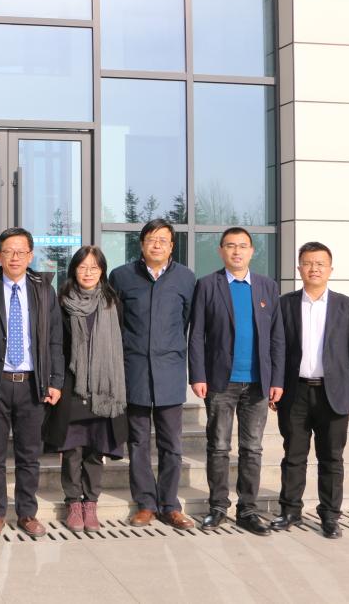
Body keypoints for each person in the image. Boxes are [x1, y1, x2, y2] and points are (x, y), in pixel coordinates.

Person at [0, 227, 63, 538]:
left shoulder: (44, 290)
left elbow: (55, 340)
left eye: (21, 252)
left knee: (29, 455)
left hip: (33, 384)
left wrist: (56, 380)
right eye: (9, 251)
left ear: (30, 256)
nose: (15, 257)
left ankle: (27, 513)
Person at [189, 227, 284, 535]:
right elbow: (196, 334)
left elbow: (277, 337)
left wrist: (277, 379)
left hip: (258, 383)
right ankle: (217, 506)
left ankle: (247, 509)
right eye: (230, 246)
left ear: (252, 251)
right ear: (221, 251)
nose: (237, 251)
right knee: (218, 446)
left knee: (252, 448)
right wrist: (198, 374)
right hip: (220, 381)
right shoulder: (208, 285)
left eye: (243, 246)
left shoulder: (267, 287)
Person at [271, 242, 349, 539]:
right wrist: (276, 384)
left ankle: (330, 516)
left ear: (330, 269)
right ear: (299, 267)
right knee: (293, 455)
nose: (313, 268)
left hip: (334, 393)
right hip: (295, 392)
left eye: (320, 263)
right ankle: (290, 511)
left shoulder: (347, 306)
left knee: (331, 458)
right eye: (308, 263)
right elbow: (277, 349)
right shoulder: (285, 304)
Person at [108, 219, 196, 530]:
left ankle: (170, 505)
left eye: (163, 240)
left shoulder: (185, 278)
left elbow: (187, 322)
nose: (156, 244)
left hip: (170, 372)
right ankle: (145, 504)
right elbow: (115, 324)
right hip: (134, 370)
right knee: (138, 442)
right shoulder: (122, 276)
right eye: (151, 239)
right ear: (141, 244)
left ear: (172, 246)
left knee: (172, 444)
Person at [44, 246, 128, 533]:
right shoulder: (61, 302)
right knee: (72, 448)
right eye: (83, 267)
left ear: (102, 271)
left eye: (94, 267)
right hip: (72, 385)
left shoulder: (112, 303)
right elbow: (55, 345)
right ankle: (73, 503)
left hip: (104, 387)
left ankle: (91, 503)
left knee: (96, 447)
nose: (88, 272)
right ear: (74, 270)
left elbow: (120, 344)